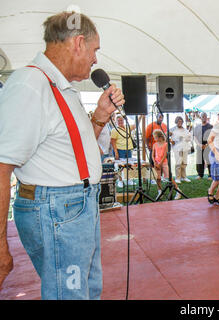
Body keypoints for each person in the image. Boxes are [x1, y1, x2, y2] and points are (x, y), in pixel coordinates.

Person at [0, 11, 125, 298]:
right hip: (57, 209)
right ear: (78, 42)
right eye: (95, 50)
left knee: (86, 291)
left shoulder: (61, 87)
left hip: (73, 207)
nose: (95, 60)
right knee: (69, 295)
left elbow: (75, 152)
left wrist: (100, 118)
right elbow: (1, 167)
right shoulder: (29, 85)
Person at [152, 129, 182, 199]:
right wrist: (154, 162)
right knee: (158, 178)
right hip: (156, 163)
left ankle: (178, 191)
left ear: (160, 137)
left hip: (163, 162)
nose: (154, 138)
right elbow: (152, 155)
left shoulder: (166, 144)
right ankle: (160, 192)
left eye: (155, 137)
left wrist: (160, 163)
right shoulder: (154, 145)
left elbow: (165, 155)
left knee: (169, 177)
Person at [170, 116, 192, 183]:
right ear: (176, 122)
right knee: (178, 163)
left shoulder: (185, 130)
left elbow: (189, 138)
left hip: (185, 147)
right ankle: (178, 178)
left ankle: (184, 177)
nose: (180, 122)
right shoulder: (173, 129)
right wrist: (171, 140)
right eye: (178, 121)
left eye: (181, 121)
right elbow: (166, 135)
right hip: (177, 148)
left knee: (184, 162)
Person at [193, 112, 213, 180]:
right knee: (199, 161)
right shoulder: (197, 127)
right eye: (202, 116)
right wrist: (199, 144)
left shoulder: (210, 126)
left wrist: (206, 145)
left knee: (209, 160)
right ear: (200, 117)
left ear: (206, 117)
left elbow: (212, 137)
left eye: (205, 116)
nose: (204, 117)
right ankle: (200, 175)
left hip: (208, 145)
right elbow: (194, 137)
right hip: (199, 145)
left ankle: (210, 175)